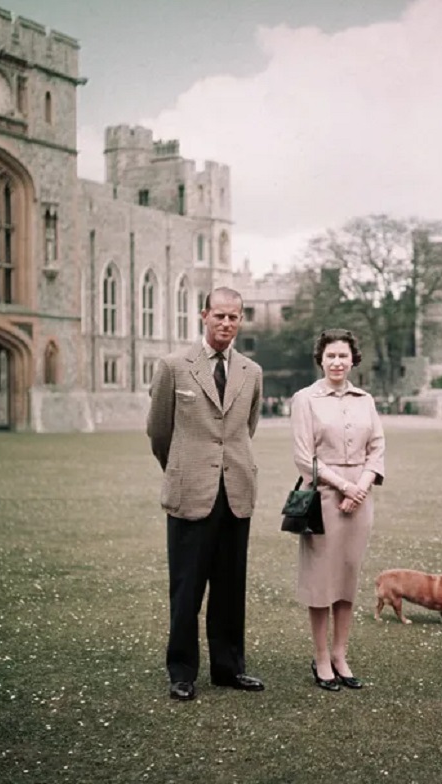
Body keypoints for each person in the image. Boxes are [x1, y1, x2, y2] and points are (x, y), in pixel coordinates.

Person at [147, 286, 264, 702]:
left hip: (235, 492)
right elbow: (159, 432)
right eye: (220, 316)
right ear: (204, 315)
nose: (227, 324)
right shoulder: (174, 367)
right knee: (187, 587)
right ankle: (182, 671)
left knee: (231, 587)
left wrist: (227, 467)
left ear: (240, 320)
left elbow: (246, 429)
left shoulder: (251, 371)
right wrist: (182, 468)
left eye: (234, 317)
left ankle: (229, 668)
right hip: (189, 491)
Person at [290, 329, 385, 691]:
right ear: (321, 358)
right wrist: (344, 487)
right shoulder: (305, 399)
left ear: (352, 359)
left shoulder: (365, 400)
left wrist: (360, 486)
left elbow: (377, 447)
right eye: (330, 355)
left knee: (347, 580)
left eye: (343, 356)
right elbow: (303, 456)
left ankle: (341, 654)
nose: (337, 362)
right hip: (322, 500)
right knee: (320, 583)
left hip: (359, 501)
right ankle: (320, 659)